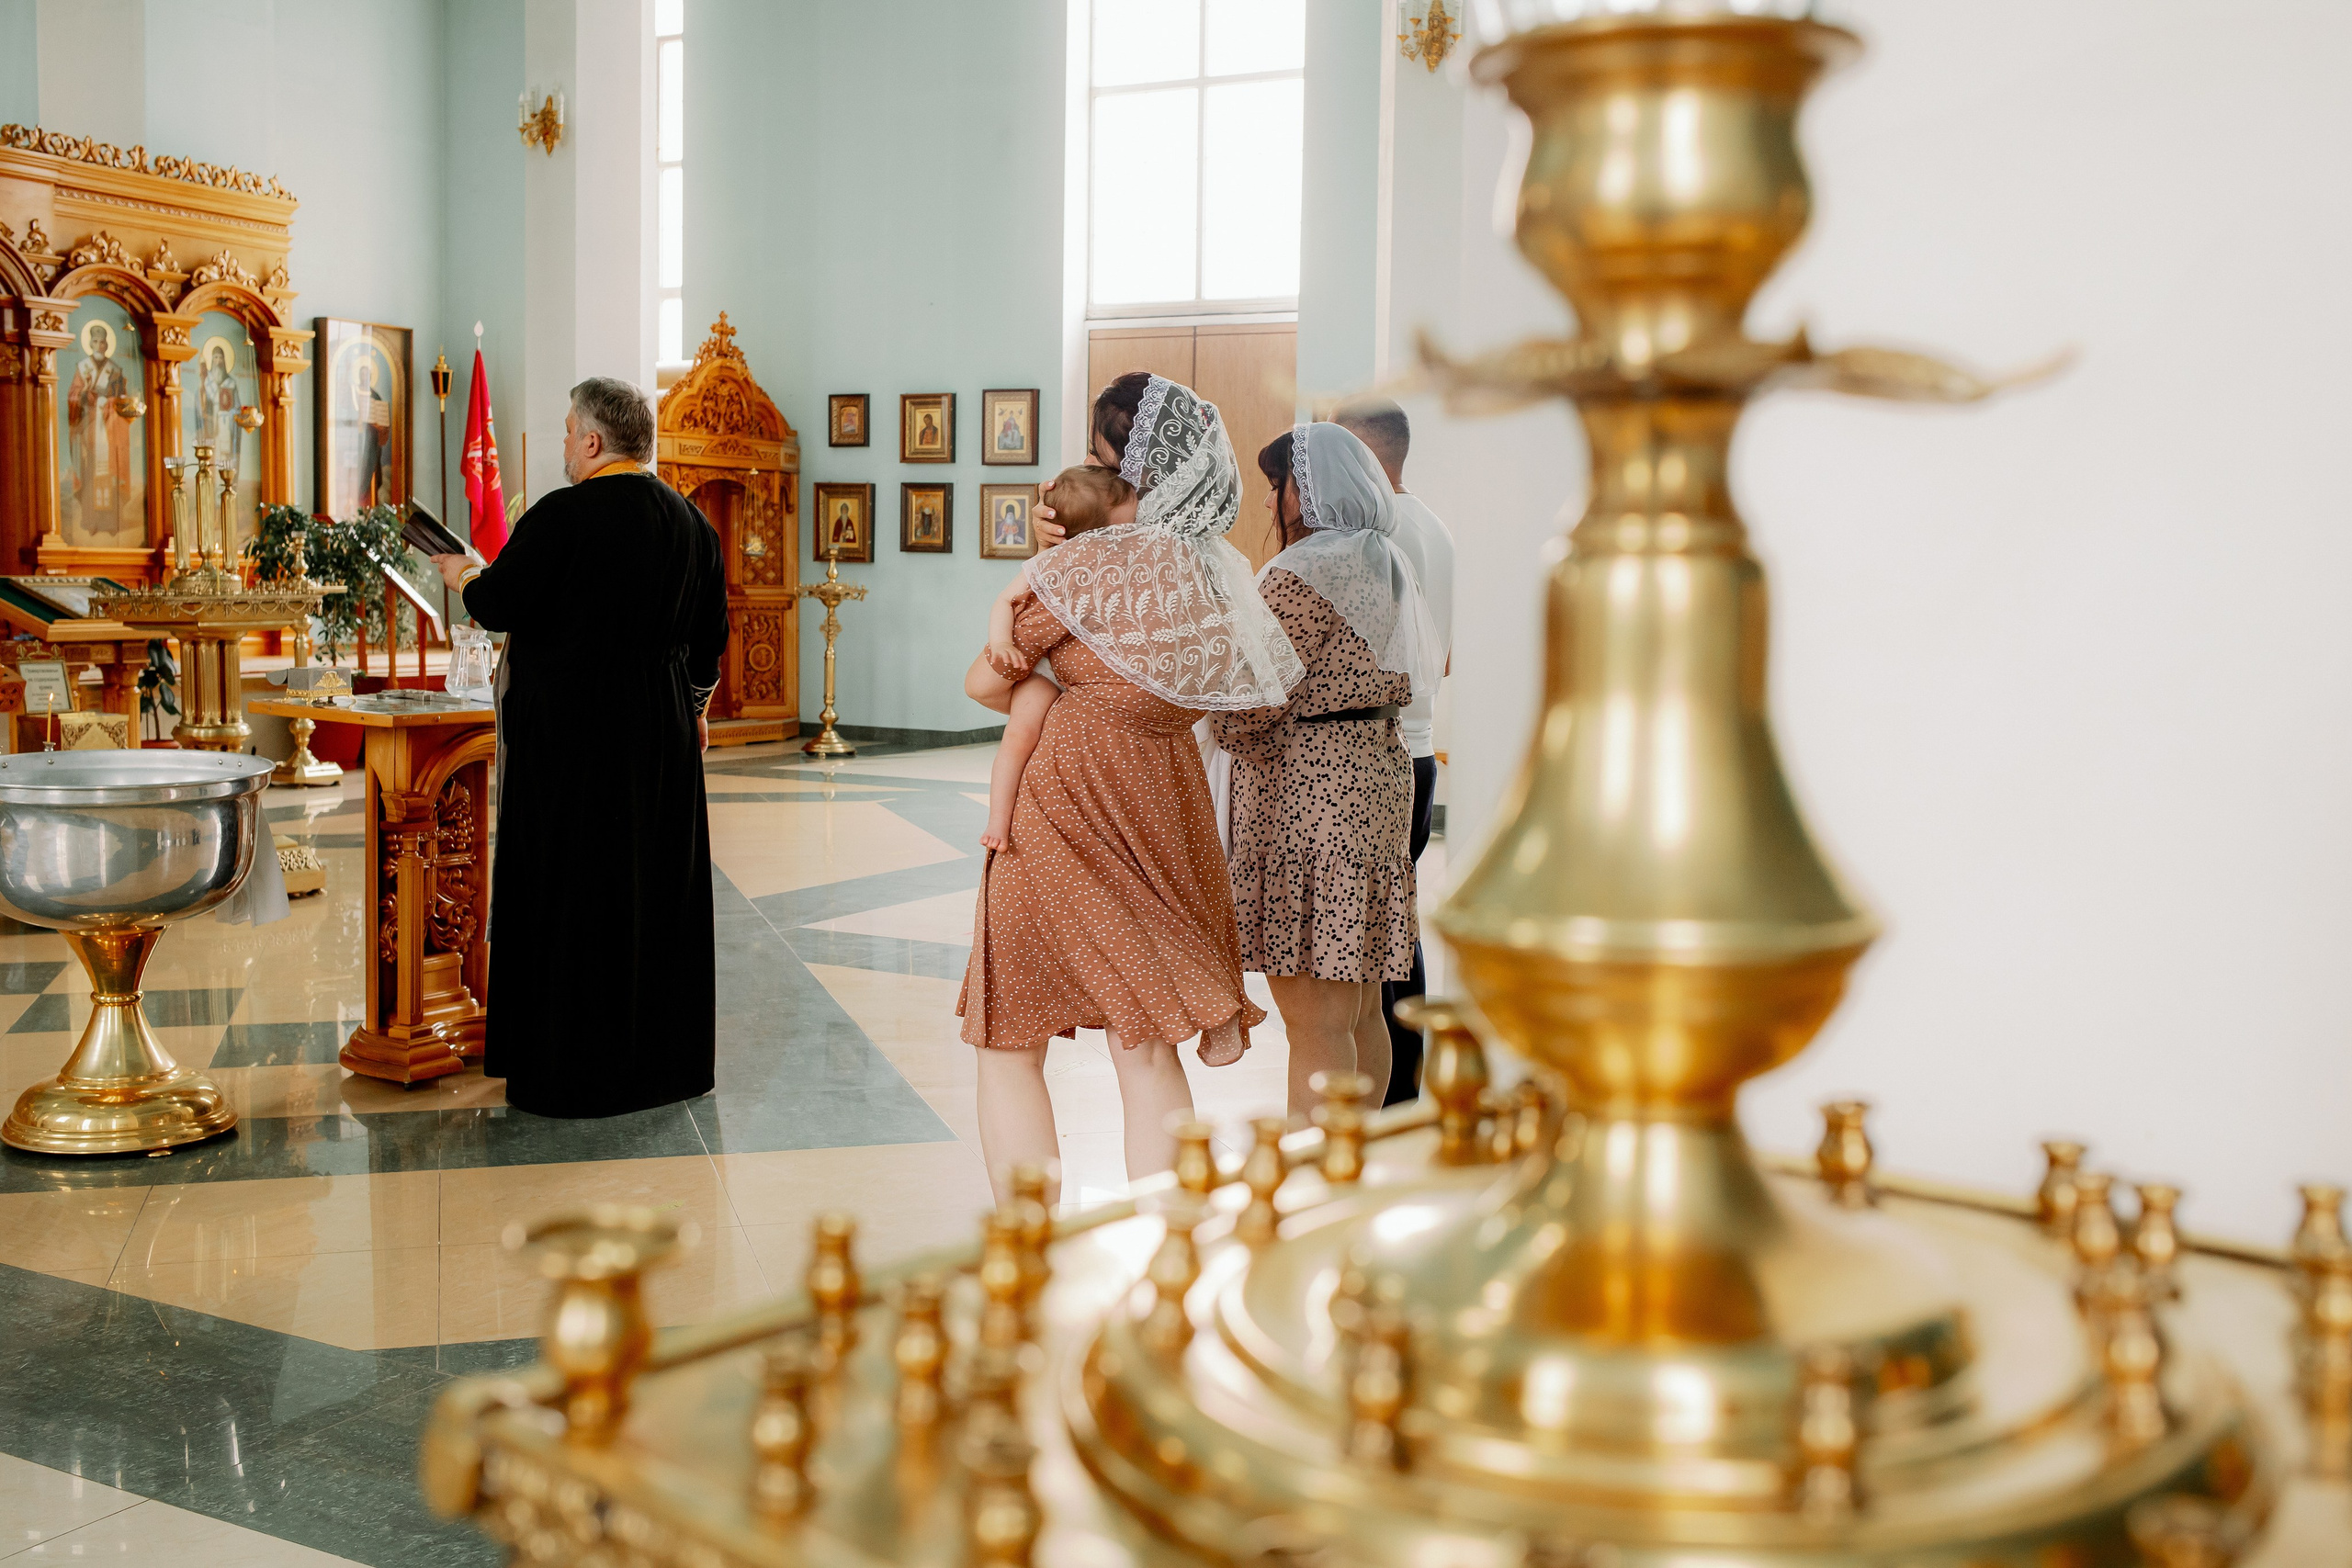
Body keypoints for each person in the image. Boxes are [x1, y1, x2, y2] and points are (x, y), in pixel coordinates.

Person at [959, 375, 1301, 1206]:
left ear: (1133, 474)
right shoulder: (1217, 576)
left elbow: (982, 681)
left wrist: (1045, 583)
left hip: (1061, 803)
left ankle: (1030, 1245)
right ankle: (1166, 1244)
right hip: (1164, 799)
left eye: (1098, 461)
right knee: (1145, 1042)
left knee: (1011, 1043)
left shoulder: (1087, 570)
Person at [428, 377, 728, 1118]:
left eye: (567, 430)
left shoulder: (563, 515)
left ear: (593, 442)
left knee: (575, 889)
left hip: (572, 737)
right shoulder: (692, 523)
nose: (564, 443)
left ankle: (573, 1068)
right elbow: (709, 646)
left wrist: (459, 569)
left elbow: (496, 603)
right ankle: (662, 1063)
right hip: (658, 731)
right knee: (653, 886)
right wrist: (689, 711)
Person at [1213, 423, 1442, 1114]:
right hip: (1373, 783)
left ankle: (1319, 1185)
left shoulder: (1303, 572)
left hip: (1309, 805)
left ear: (1305, 491)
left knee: (1313, 1020)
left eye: (1275, 486)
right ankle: (1358, 1164)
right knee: (1360, 1009)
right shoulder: (1383, 558)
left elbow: (1246, 703)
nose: (1268, 504)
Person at [1335, 399, 1453, 1106]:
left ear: (1366, 454)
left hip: (1379, 750)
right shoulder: (1436, 529)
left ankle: (1383, 1086)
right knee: (1396, 921)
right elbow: (1447, 657)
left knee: (1376, 932)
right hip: (1420, 747)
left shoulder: (1374, 537)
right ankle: (1402, 1082)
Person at [970, 465, 1136, 852]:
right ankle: (997, 818)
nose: (1130, 537)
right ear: (1088, 535)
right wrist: (1000, 642)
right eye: (1121, 529)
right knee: (1020, 735)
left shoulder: (1124, 563)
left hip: (1090, 685)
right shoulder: (1048, 564)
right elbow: (1005, 601)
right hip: (1044, 673)